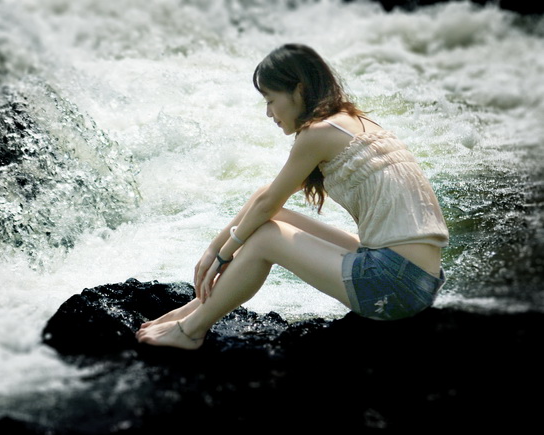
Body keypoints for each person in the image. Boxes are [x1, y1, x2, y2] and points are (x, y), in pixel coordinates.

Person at [136, 43, 449, 350]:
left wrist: (223, 256)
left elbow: (267, 204)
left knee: (267, 238)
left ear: (298, 90)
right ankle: (195, 308)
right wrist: (212, 251)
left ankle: (191, 330)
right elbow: (266, 198)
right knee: (273, 221)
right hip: (416, 278)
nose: (269, 112)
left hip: (394, 286)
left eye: (271, 100)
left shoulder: (319, 133)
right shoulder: (352, 123)